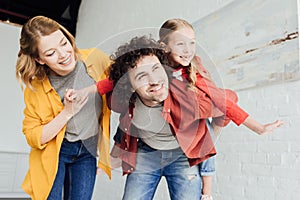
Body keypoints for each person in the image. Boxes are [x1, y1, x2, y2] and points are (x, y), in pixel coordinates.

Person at [104, 35, 283, 200]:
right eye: (142, 76)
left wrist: (213, 133)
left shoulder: (188, 97)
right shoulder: (129, 104)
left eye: (156, 69)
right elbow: (123, 132)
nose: (154, 80)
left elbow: (227, 101)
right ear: (130, 86)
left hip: (182, 158)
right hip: (146, 155)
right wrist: (104, 164)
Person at [158, 18, 284, 200]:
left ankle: (206, 192)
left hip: (198, 114)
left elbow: (217, 97)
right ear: (165, 46)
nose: (188, 50)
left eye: (192, 43)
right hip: (175, 123)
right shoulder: (155, 65)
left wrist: (258, 127)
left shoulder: (192, 66)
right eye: (180, 44)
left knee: (228, 98)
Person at [15, 16, 111, 200]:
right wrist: (67, 112)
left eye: (63, 43)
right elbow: (33, 137)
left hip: (86, 150)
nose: (64, 54)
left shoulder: (94, 60)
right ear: (39, 59)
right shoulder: (36, 88)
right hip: (55, 153)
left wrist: (92, 89)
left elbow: (123, 76)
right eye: (51, 53)